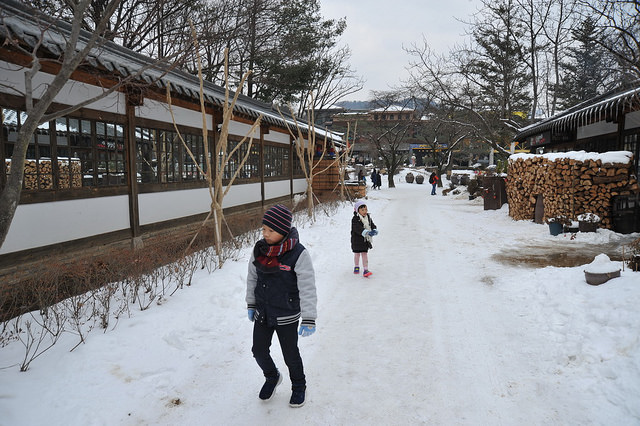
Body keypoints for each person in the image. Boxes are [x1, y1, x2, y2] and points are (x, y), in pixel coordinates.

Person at [246, 204, 317, 408]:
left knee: (290, 355)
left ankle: (299, 386)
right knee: (258, 351)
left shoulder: (298, 254)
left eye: (271, 230)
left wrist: (309, 317)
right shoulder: (259, 250)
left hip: (286, 314)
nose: (265, 234)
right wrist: (251, 303)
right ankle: (272, 377)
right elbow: (252, 277)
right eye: (264, 229)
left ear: (284, 231)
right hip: (263, 313)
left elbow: (308, 287)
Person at [351, 200, 378, 277]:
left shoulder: (368, 217)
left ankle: (365, 270)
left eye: (366, 209)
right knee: (357, 254)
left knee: (364, 254)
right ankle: (356, 266)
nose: (364, 211)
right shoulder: (355, 219)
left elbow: (372, 224)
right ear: (357, 210)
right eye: (362, 210)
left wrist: (374, 230)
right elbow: (357, 228)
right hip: (356, 240)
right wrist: (366, 232)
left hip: (365, 240)